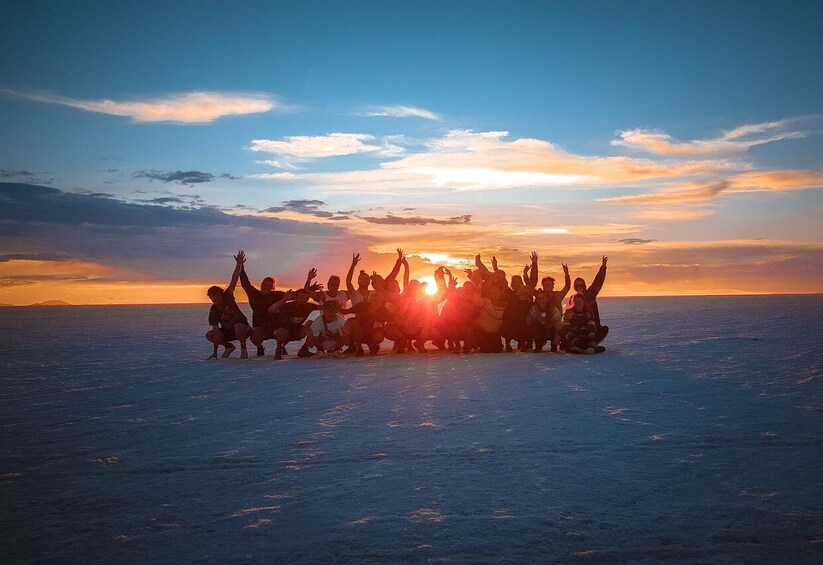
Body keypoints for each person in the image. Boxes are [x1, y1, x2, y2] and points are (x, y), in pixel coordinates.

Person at [234, 250, 285, 357]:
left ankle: (280, 347)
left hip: (275, 327)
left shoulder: (277, 295)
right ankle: (259, 346)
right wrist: (240, 265)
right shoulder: (254, 294)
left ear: (272, 288)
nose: (266, 288)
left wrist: (309, 287)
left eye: (269, 286)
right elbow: (245, 282)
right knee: (255, 336)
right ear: (261, 285)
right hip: (260, 327)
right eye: (264, 285)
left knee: (283, 331)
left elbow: (296, 295)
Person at [205, 257, 250, 359]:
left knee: (238, 326)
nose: (216, 298)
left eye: (218, 295)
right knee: (209, 334)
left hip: (243, 329)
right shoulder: (214, 310)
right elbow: (216, 330)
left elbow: (233, 280)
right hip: (228, 332)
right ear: (210, 298)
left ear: (221, 295)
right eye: (213, 296)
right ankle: (228, 347)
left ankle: (243, 348)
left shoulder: (228, 297)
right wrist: (215, 351)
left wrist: (239, 265)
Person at [269, 288, 319, 359]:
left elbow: (326, 307)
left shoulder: (309, 306)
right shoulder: (288, 306)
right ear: (296, 298)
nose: (303, 300)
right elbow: (271, 310)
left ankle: (304, 349)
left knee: (310, 323)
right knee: (281, 332)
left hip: (297, 331)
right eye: (301, 298)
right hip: (284, 331)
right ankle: (279, 349)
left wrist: (319, 298)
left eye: (305, 298)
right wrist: (284, 299)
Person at [572, 256, 609, 344]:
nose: (579, 287)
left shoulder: (590, 294)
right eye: (577, 286)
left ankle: (592, 343)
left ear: (584, 286)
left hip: (592, 326)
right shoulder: (574, 298)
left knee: (602, 330)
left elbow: (598, 281)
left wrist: (603, 268)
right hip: (580, 326)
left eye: (581, 285)